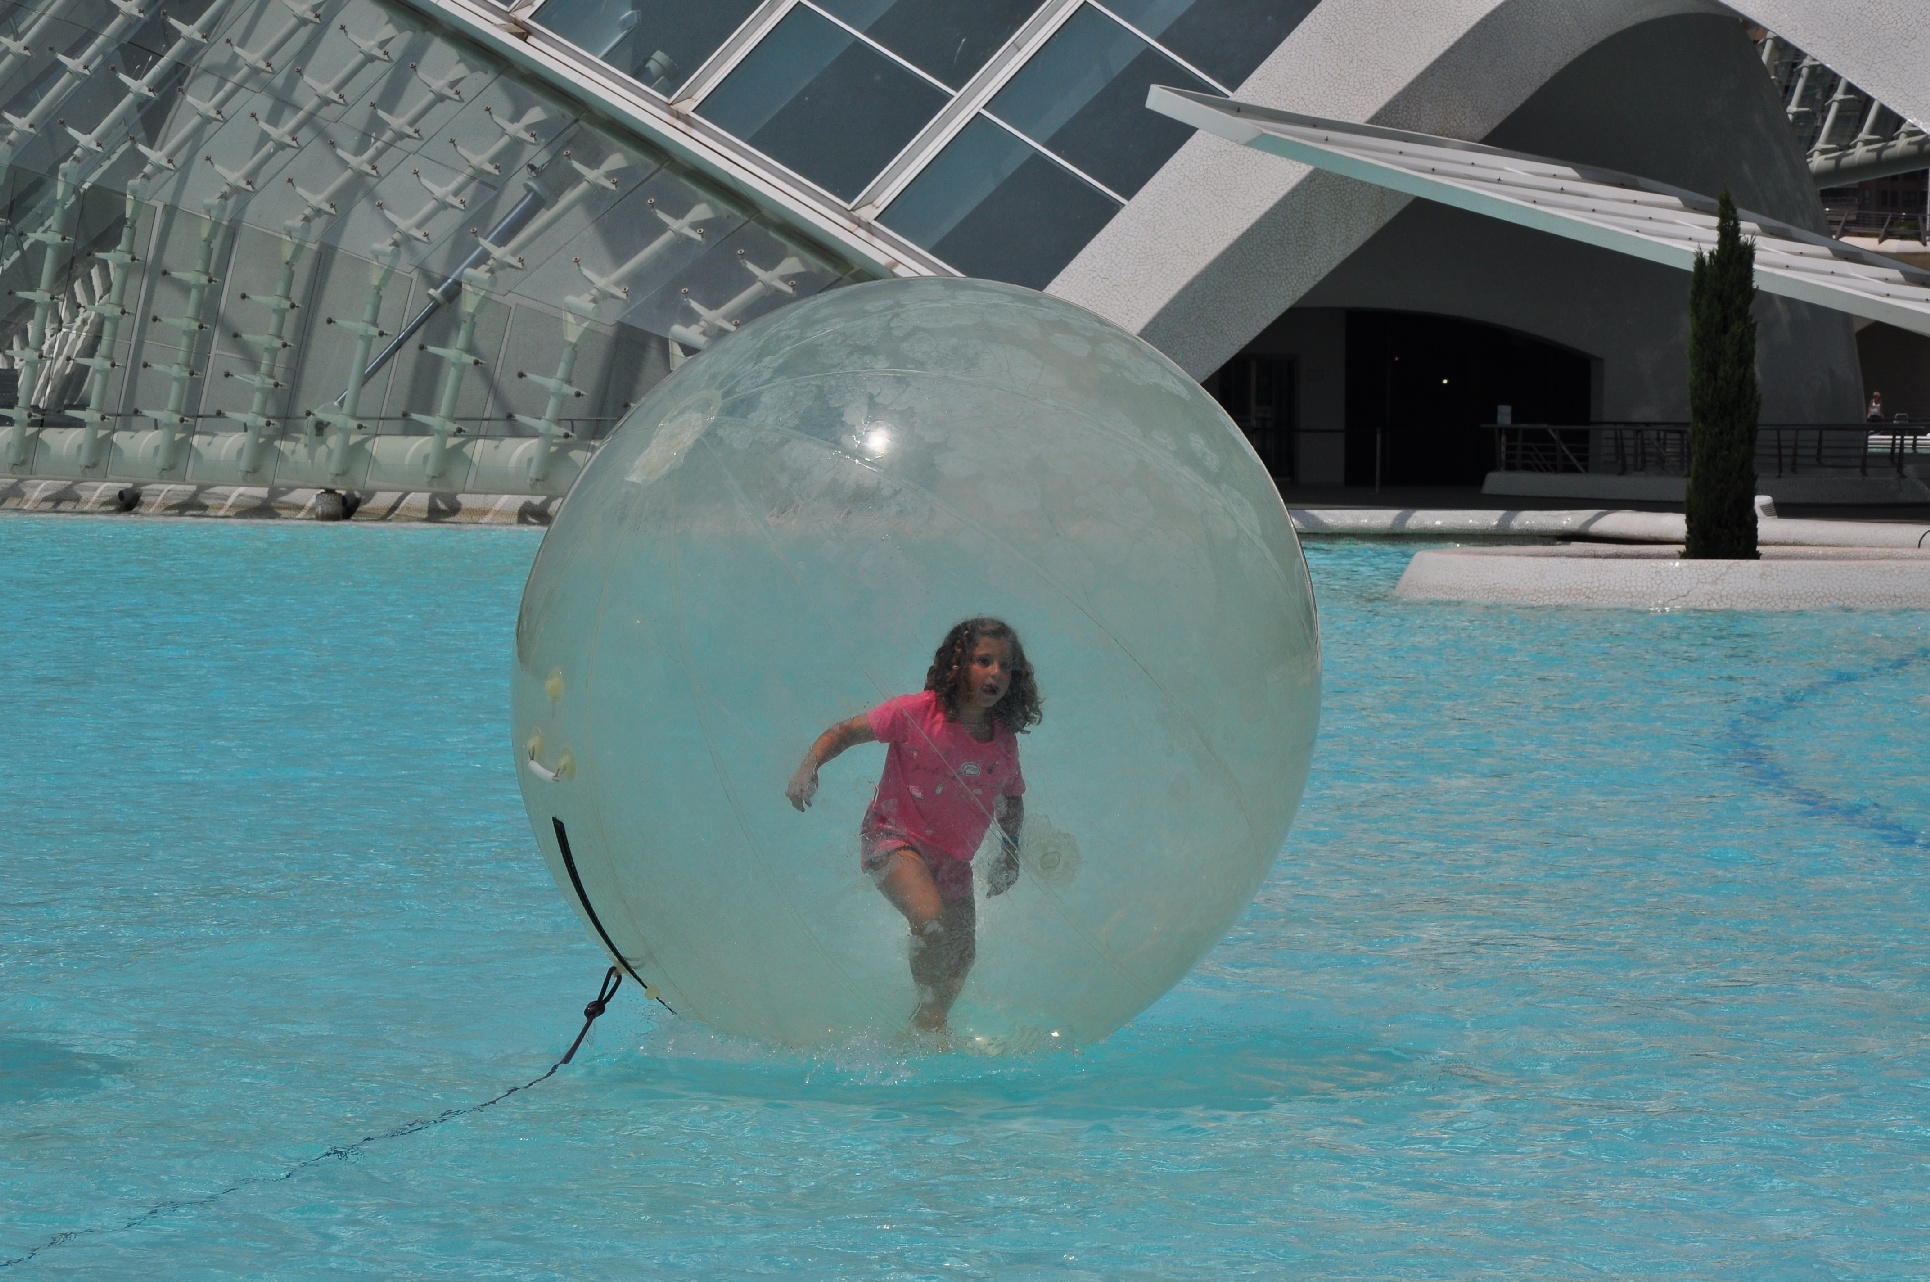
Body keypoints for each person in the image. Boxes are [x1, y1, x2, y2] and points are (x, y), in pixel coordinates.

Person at [786, 618, 1042, 1035]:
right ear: (957, 665)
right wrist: (809, 765)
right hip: (893, 838)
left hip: (953, 861)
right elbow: (846, 731)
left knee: (962, 955)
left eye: (1006, 666)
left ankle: (928, 1022)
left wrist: (1010, 851)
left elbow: (1011, 799)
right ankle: (928, 1013)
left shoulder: (1003, 741)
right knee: (929, 919)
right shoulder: (917, 712)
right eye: (984, 661)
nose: (996, 673)